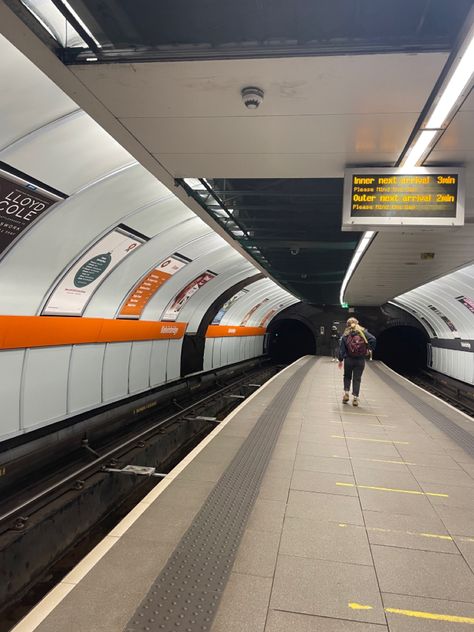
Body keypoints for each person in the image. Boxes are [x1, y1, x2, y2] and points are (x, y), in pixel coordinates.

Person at [338, 317, 376, 406]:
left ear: (347, 325)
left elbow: (341, 350)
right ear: (357, 323)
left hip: (349, 360)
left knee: (347, 376)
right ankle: (355, 399)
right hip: (360, 360)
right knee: (357, 379)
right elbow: (373, 339)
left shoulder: (345, 335)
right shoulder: (363, 333)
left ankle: (346, 394)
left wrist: (340, 360)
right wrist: (369, 349)